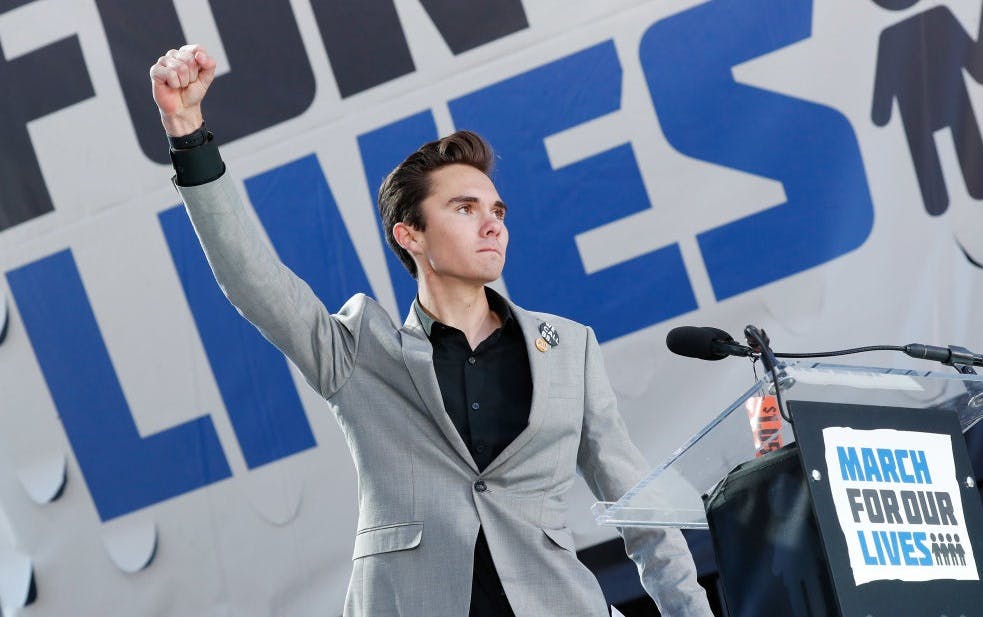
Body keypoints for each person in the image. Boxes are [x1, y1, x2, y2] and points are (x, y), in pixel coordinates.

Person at [150, 43, 712, 617]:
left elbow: (639, 508)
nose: (492, 225)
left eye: (497, 212)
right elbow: (253, 280)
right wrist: (188, 136)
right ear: (410, 235)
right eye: (465, 209)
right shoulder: (358, 352)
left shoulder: (568, 348)